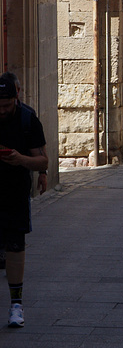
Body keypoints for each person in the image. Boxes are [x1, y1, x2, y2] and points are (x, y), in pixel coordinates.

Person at [0, 74, 48, 328]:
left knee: (16, 247)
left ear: (16, 98)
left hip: (16, 192)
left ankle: (16, 306)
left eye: (7, 106)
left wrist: (21, 161)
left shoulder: (28, 119)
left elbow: (43, 160)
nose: (2, 110)